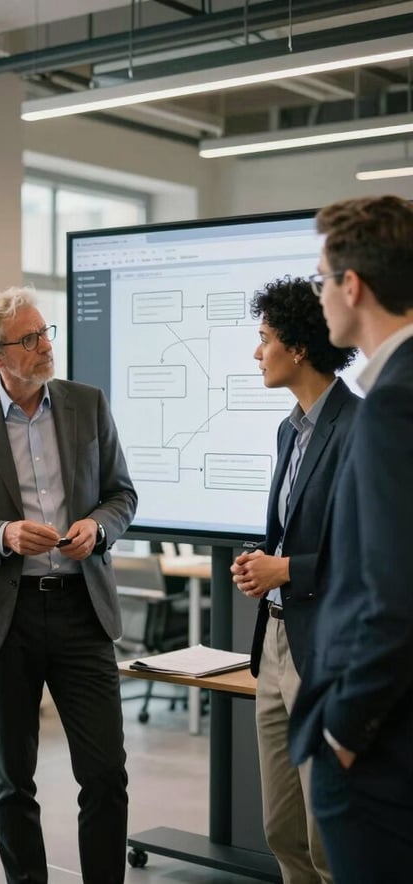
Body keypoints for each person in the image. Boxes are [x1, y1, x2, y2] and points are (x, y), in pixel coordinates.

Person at [0, 287, 137, 884]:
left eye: (46, 333)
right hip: (6, 615)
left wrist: (97, 529)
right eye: (31, 339)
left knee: (104, 774)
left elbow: (122, 494)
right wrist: (5, 536)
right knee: (12, 777)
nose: (47, 346)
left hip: (82, 610)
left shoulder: (86, 405)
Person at [289, 195, 413, 883]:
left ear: (353, 286)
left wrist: (341, 735)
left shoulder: (393, 400)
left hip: (381, 750)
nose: (321, 295)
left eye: (320, 279)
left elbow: (392, 595)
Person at [231, 276, 358, 883]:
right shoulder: (291, 429)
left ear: (300, 347)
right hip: (276, 642)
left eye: (264, 340)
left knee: (327, 834)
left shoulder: (360, 428)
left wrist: (289, 569)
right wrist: (263, 560)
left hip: (326, 647)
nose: (257, 354)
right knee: (282, 826)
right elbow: (295, 532)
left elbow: (375, 556)